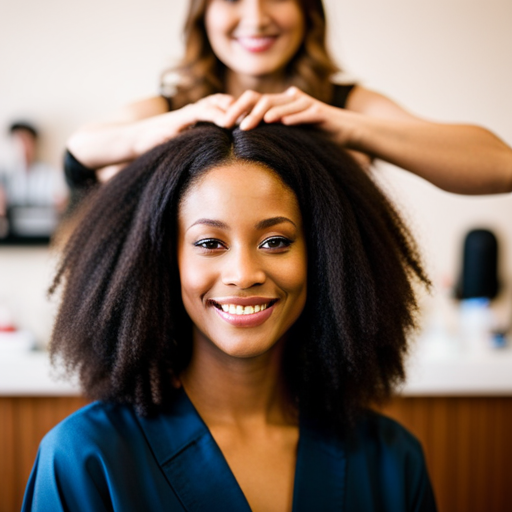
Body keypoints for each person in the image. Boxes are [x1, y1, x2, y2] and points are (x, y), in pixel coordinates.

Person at [23, 123, 436, 511]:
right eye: (209, 242)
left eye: (275, 241)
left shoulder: (393, 460)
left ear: (327, 258)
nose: (244, 274)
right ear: (163, 261)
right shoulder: (83, 457)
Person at [65, 0, 512, 196]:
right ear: (204, 15)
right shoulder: (169, 110)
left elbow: (500, 166)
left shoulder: (347, 106)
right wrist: (157, 131)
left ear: (306, 10)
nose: (256, 17)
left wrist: (347, 125)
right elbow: (80, 151)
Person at [0, 121, 67, 241]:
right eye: (18, 142)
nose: (23, 147)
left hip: (45, 236)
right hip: (13, 239)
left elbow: (61, 204)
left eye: (26, 141)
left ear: (35, 143)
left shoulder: (51, 174)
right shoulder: (4, 176)